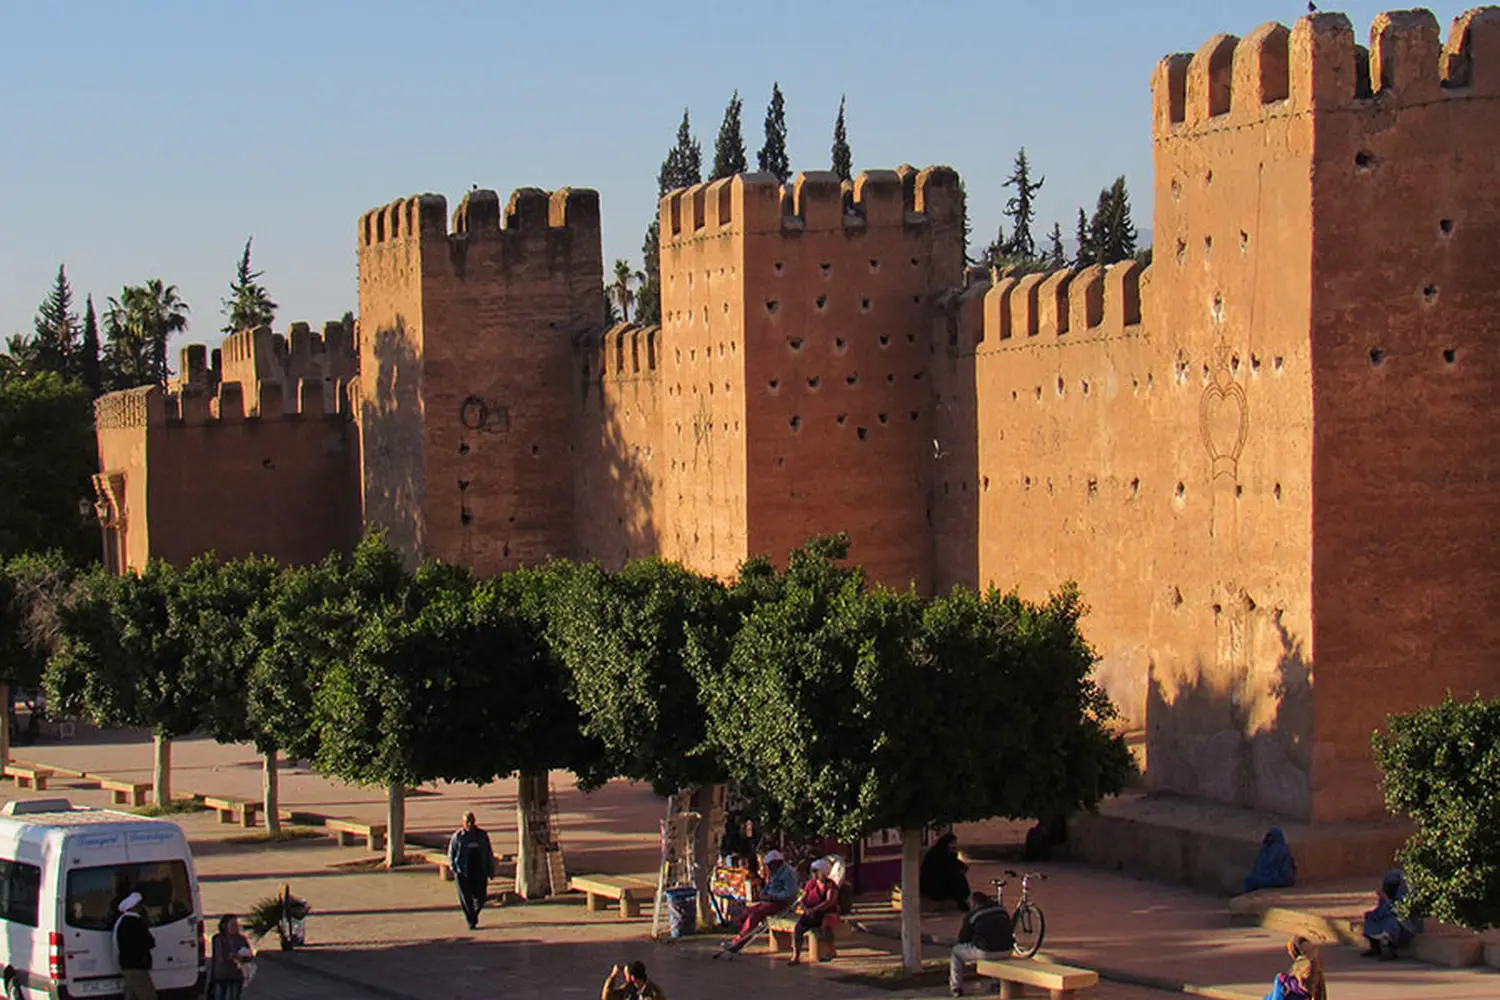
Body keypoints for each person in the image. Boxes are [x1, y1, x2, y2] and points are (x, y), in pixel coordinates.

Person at [717, 849, 798, 955]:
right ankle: (738, 932)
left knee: (756, 914)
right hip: (770, 901)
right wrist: (763, 894)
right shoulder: (774, 872)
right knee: (748, 910)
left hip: (781, 903)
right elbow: (768, 886)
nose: (768, 867)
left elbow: (790, 893)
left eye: (770, 864)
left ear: (776, 862)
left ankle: (738, 942)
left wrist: (773, 897)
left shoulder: (788, 873)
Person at [949, 891, 1014, 997]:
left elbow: (963, 939)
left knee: (956, 952)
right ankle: (997, 983)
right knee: (995, 947)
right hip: (1008, 950)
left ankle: (956, 987)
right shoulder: (1001, 910)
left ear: (974, 903)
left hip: (986, 952)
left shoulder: (973, 915)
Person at [787, 858, 841, 964]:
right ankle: (796, 955)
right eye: (813, 871)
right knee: (798, 929)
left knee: (826, 925)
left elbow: (829, 901)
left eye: (817, 871)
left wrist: (814, 909)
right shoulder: (811, 884)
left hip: (826, 912)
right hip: (811, 912)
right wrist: (802, 906)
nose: (814, 874)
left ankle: (831, 950)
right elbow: (803, 896)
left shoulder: (830, 885)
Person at [448, 811, 496, 929]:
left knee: (481, 896)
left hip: (479, 869)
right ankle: (471, 920)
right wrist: (454, 867)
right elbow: (451, 853)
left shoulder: (482, 835)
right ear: (463, 823)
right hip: (463, 871)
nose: (470, 824)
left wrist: (490, 869)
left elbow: (489, 852)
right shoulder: (458, 837)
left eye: (471, 821)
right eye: (467, 822)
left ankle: (474, 914)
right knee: (465, 898)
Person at [1362, 868, 1419, 960]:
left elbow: (1400, 911)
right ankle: (1375, 947)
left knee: (1391, 923)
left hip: (1406, 925)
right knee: (1370, 917)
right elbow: (1382, 910)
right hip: (1389, 918)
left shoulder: (1405, 894)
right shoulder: (1387, 892)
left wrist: (1388, 901)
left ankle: (1390, 950)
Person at [113, 891, 156, 1000]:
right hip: (137, 966)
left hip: (127, 965)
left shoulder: (122, 922)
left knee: (132, 995)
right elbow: (149, 942)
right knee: (148, 995)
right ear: (135, 906)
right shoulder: (135, 923)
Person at [208, 914, 254, 1000]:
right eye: (232, 924)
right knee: (219, 996)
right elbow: (220, 957)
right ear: (224, 926)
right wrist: (235, 956)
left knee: (235, 996)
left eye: (236, 925)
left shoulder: (241, 939)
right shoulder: (218, 938)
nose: (235, 927)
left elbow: (249, 956)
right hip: (221, 975)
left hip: (236, 974)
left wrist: (242, 958)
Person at [921, 832, 971, 911]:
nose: (954, 846)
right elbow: (944, 870)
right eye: (952, 843)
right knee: (956, 879)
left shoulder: (947, 853)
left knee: (958, 878)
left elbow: (954, 864)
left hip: (944, 880)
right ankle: (961, 900)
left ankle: (962, 899)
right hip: (934, 884)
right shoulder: (936, 854)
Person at [1243, 828, 1297, 894]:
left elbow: (1286, 870)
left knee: (1251, 881)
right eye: (1269, 836)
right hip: (1268, 876)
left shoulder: (1282, 851)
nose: (1270, 838)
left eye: (1272, 837)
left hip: (1278, 879)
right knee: (1250, 879)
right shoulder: (1266, 849)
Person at [601, 959, 666, 1000]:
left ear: (633, 977)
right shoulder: (628, 988)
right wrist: (613, 976)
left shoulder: (654, 993)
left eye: (625, 974)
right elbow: (607, 998)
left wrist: (613, 975)